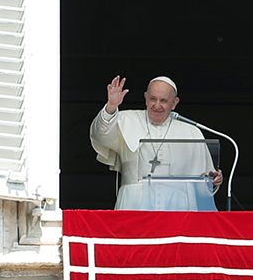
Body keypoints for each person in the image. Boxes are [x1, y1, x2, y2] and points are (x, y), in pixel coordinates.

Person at [90, 75, 223, 210]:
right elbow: (99, 135)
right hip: (134, 204)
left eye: (164, 101)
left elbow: (204, 183)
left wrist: (214, 180)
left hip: (178, 206)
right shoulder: (126, 119)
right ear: (146, 98)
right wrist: (111, 107)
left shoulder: (191, 132)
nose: (157, 105)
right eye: (153, 99)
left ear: (174, 103)